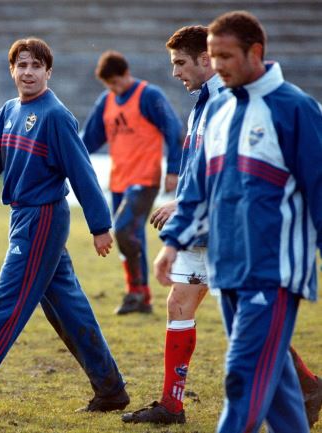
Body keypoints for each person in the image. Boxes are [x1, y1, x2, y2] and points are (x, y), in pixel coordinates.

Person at [123, 24, 322, 429]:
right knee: (264, 372)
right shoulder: (214, 106)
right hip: (216, 242)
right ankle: (307, 387)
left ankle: (174, 406)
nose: (179, 72)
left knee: (244, 374)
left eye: (221, 57)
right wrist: (174, 238)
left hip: (267, 259)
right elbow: (206, 178)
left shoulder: (294, 108)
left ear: (254, 53)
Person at [0, 37, 130, 414]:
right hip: (23, 217)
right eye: (21, 65)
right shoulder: (8, 112)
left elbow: (82, 173)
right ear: (12, 71)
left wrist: (100, 225)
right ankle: (111, 389)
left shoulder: (55, 116)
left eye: (36, 66)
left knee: (7, 303)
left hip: (43, 218)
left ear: (48, 72)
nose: (28, 72)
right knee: (69, 308)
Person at [122, 25, 224, 424]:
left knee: (246, 320)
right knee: (179, 303)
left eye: (181, 63)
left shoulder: (225, 103)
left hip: (224, 229)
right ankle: (171, 405)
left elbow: (229, 168)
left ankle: (303, 384)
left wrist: (182, 199)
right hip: (200, 228)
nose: (176, 72)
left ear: (205, 59)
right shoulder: (204, 101)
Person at [81, 50, 183, 315]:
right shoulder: (107, 101)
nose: (114, 89)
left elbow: (173, 129)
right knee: (130, 235)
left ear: (126, 74)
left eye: (116, 82)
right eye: (109, 85)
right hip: (118, 181)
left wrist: (173, 168)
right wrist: (67, 161)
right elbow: (89, 139)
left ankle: (139, 292)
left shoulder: (149, 96)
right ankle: (138, 296)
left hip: (145, 179)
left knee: (124, 230)